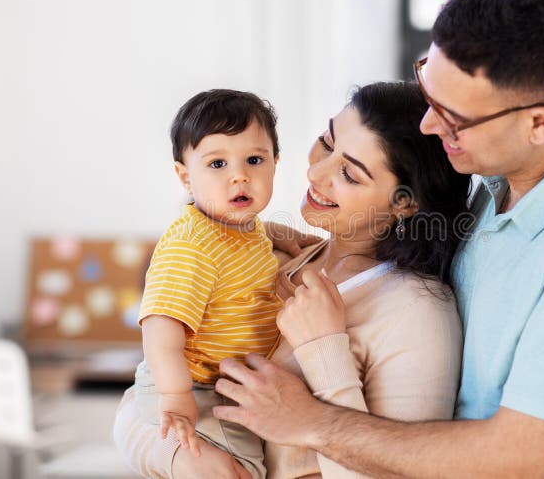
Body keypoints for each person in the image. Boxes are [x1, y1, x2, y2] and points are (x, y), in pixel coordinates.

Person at [213, 0, 544, 478]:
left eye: (453, 116)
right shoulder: (492, 180)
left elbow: (519, 459)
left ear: (538, 124)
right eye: (428, 86)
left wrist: (312, 422)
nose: (429, 126)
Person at [114, 81, 472, 478]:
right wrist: (180, 455)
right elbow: (136, 404)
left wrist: (326, 353)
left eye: (349, 174)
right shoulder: (278, 256)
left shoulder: (418, 312)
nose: (315, 172)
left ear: (405, 202)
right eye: (326, 141)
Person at [113, 89, 282, 479]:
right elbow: (161, 327)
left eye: (254, 160)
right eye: (217, 163)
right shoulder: (193, 243)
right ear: (186, 176)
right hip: (194, 386)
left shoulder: (245, 229)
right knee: (239, 472)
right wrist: (176, 396)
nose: (240, 175)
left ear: (276, 163)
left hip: (215, 383)